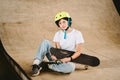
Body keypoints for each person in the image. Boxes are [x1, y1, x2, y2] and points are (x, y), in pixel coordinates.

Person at [32, 11, 85, 76]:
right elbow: (58, 49)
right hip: (57, 58)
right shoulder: (58, 34)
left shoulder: (77, 34)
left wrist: (69, 59)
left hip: (66, 60)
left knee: (71, 67)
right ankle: (36, 64)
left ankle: (46, 65)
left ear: (69, 21)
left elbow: (78, 51)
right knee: (45, 42)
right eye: (60, 23)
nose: (62, 24)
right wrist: (54, 56)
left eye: (64, 22)